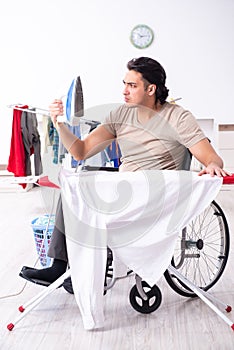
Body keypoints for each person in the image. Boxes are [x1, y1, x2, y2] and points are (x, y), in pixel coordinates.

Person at [19, 57, 229, 291]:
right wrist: (59, 124)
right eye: (124, 84)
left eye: (132, 85)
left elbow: (211, 158)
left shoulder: (178, 117)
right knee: (76, 183)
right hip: (125, 188)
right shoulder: (120, 115)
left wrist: (211, 165)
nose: (124, 91)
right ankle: (60, 265)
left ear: (151, 89)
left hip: (157, 197)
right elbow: (81, 151)